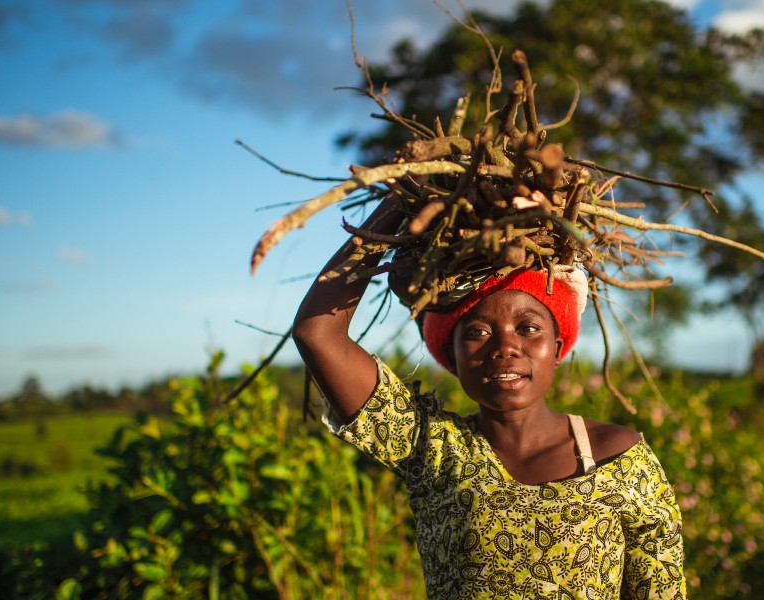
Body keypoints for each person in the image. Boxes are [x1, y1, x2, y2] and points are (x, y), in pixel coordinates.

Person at [294, 196, 687, 598]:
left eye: (528, 328)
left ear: (557, 342)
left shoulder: (619, 458)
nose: (505, 347)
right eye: (477, 333)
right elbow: (317, 334)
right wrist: (398, 203)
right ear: (453, 356)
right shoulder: (431, 450)